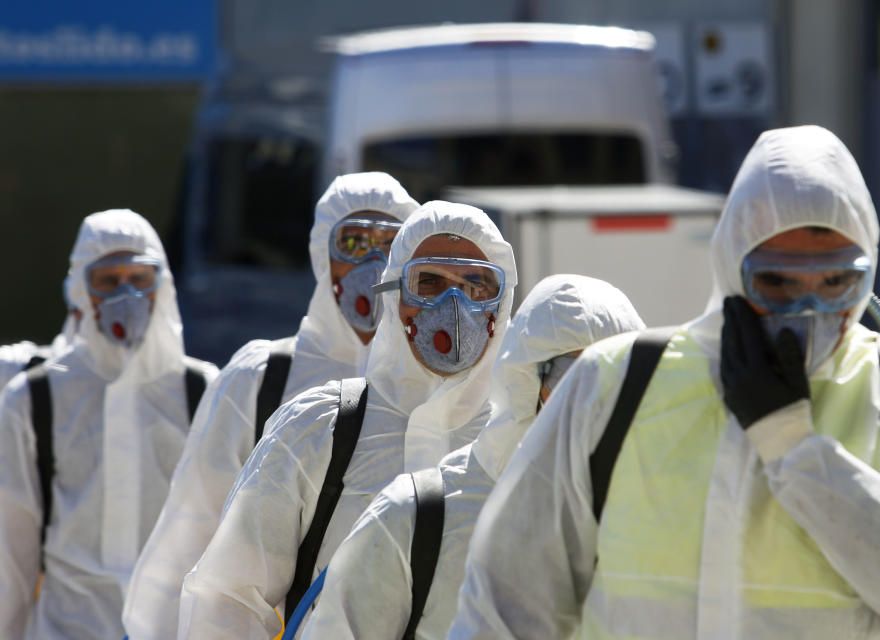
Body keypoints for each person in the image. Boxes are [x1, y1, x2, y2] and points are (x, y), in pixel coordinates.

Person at [448, 125, 880, 640]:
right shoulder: (616, 385)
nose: (808, 310)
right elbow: (505, 603)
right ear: (734, 268)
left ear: (869, 274)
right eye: (777, 281)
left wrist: (792, 445)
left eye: (837, 282)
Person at [177, 200, 518, 639]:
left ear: (501, 307)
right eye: (429, 283)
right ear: (395, 295)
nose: (453, 304)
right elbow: (229, 597)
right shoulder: (319, 429)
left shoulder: (518, 442)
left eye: (477, 286)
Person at [120, 172, 418, 639]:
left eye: (390, 244)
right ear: (324, 255)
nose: (375, 263)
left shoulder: (434, 390)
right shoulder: (261, 379)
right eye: (356, 243)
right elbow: (193, 527)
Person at [299, 274, 645, 640]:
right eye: (570, 379)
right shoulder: (416, 517)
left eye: (615, 378)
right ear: (525, 379)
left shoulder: (658, 520)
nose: (592, 403)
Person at [0, 209, 218, 639]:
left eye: (139, 279)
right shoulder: (35, 397)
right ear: (81, 291)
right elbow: (11, 553)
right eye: (108, 281)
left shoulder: (205, 391)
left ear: (163, 286)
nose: (126, 294)